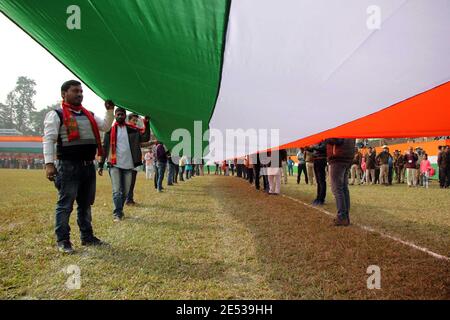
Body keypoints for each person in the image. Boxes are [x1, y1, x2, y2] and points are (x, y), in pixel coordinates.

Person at [43, 80, 115, 253]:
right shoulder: (56, 115)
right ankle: (63, 241)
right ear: (64, 94)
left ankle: (87, 237)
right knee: (65, 204)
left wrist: (110, 111)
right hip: (68, 167)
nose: (80, 94)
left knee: (85, 204)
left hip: (87, 167)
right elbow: (49, 139)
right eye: (75, 91)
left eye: (81, 91)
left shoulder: (88, 114)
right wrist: (49, 164)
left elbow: (105, 126)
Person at [98, 108, 150, 220]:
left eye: (122, 114)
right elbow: (105, 148)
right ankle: (117, 213)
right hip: (114, 165)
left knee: (125, 192)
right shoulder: (109, 131)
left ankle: (119, 210)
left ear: (125, 116)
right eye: (118, 114)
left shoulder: (132, 130)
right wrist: (101, 165)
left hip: (129, 165)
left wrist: (147, 123)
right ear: (115, 116)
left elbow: (145, 137)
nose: (120, 116)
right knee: (117, 190)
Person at [326, 138, 356, 226]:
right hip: (346, 157)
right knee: (343, 188)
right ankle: (345, 216)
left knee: (337, 189)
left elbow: (338, 140)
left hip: (338, 157)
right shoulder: (349, 125)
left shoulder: (337, 126)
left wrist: (325, 138)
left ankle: (342, 217)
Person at [125, 113, 145, 205]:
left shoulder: (136, 131)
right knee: (128, 182)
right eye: (134, 120)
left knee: (132, 181)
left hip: (135, 159)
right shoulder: (126, 130)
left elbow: (141, 144)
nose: (135, 122)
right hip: (128, 159)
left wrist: (153, 142)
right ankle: (128, 199)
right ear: (129, 120)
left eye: (136, 121)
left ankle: (129, 199)